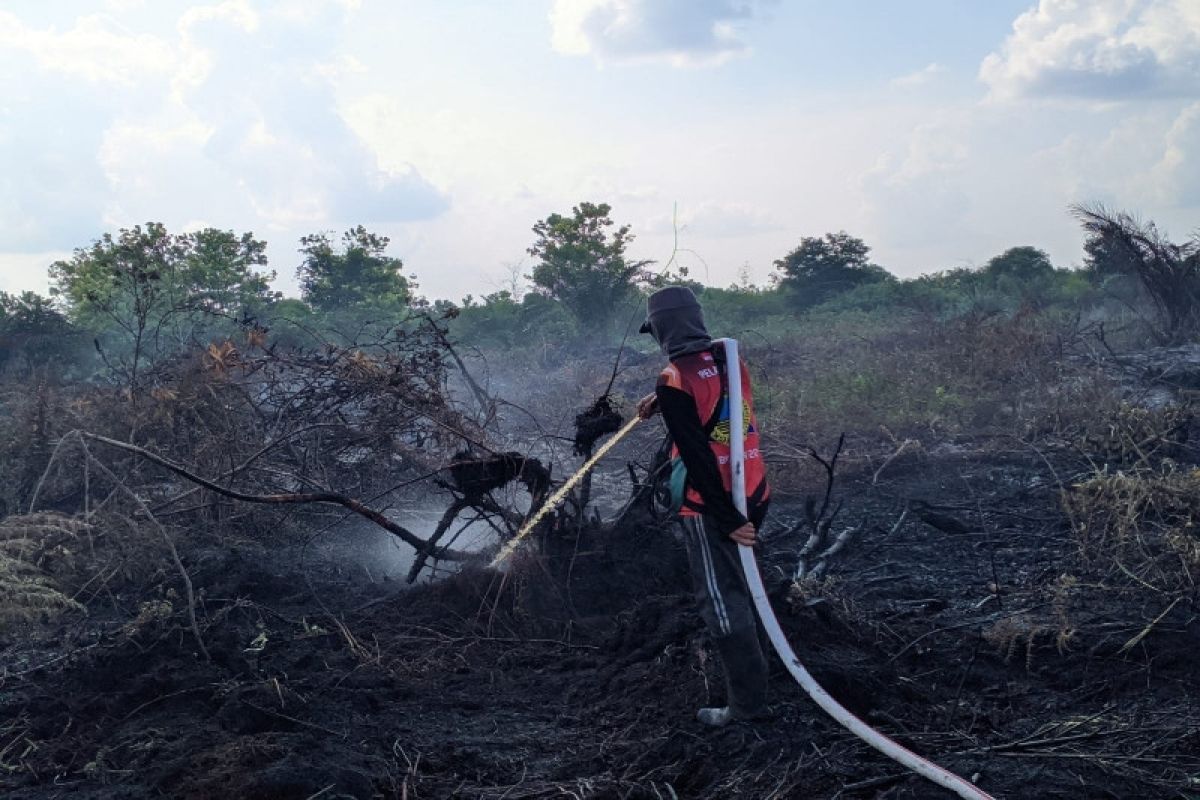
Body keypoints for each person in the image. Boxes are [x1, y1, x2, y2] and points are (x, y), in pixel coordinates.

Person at [636, 285, 771, 727]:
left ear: (661, 330)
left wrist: (727, 519)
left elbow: (695, 454)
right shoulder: (730, 360)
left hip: (712, 504)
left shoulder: (674, 378)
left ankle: (747, 708)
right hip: (752, 488)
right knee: (741, 581)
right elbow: (715, 398)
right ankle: (761, 681)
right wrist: (664, 403)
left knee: (721, 598)